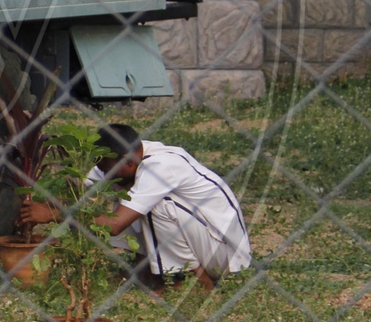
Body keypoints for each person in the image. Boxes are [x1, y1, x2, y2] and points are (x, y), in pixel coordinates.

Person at [22, 124, 250, 290]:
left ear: (130, 162)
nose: (104, 175)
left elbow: (114, 226)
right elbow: (83, 200)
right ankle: (151, 271)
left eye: (108, 170)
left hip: (222, 251)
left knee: (157, 206)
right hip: (202, 238)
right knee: (126, 198)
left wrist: (55, 214)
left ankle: (195, 282)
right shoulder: (119, 161)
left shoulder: (160, 166)